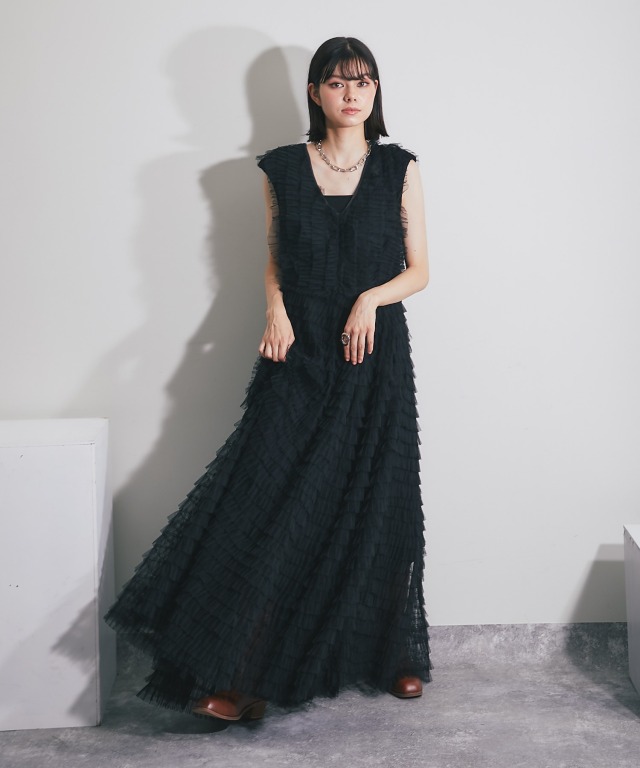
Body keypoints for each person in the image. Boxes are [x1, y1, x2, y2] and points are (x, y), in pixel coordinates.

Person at [105, 36, 431, 723]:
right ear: (314, 92)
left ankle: (392, 655)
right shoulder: (281, 168)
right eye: (337, 81)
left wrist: (371, 300)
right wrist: (275, 310)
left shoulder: (399, 168)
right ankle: (232, 671)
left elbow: (420, 269)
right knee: (265, 503)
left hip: (371, 353)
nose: (352, 93)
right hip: (298, 350)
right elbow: (275, 260)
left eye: (364, 81)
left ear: (376, 91)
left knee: (378, 497)